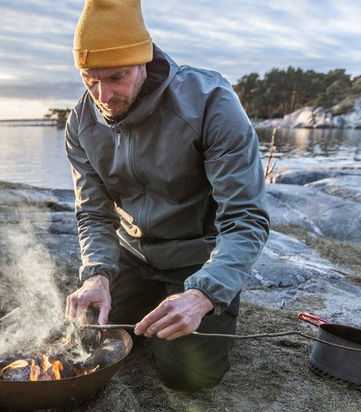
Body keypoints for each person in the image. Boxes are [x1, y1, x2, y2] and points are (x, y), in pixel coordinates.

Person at [64, 0, 269, 390]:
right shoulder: (81, 122)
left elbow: (246, 218)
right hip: (132, 255)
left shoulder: (211, 103)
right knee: (89, 337)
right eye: (90, 79)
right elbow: (93, 213)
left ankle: (203, 303)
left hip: (196, 257)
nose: (103, 96)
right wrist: (97, 274)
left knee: (186, 374)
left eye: (117, 77)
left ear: (143, 61)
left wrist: (204, 293)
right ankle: (139, 296)